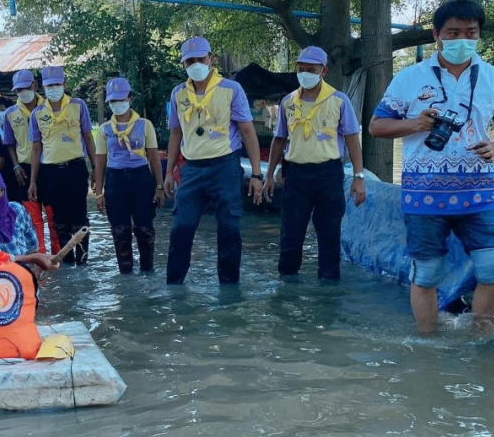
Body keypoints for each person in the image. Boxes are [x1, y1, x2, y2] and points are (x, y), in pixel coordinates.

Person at [369, 0, 494, 334]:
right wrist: (416, 124)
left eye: (471, 32)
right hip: (424, 195)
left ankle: (479, 343)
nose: (462, 39)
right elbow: (376, 126)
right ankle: (429, 347)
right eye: (453, 32)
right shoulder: (409, 78)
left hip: (480, 193)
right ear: (436, 34)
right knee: (426, 273)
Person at [165, 37, 264, 285]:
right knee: (181, 229)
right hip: (192, 170)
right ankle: (174, 287)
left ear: (211, 59)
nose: (195, 64)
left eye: (200, 59)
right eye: (190, 61)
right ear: (183, 64)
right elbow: (176, 132)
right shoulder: (178, 93)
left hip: (225, 167)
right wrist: (168, 172)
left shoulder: (231, 89)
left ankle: (229, 290)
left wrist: (256, 174)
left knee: (229, 229)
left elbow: (248, 131)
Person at [263, 46, 367, 280]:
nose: (305, 73)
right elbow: (279, 139)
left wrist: (359, 178)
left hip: (328, 175)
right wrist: (269, 175)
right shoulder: (288, 101)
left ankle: (328, 297)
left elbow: (352, 138)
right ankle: (287, 291)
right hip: (296, 176)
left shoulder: (339, 100)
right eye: (301, 69)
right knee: (290, 236)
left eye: (311, 69)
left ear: (324, 70)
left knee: (329, 237)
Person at [93, 78, 164, 274]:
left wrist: (159, 187)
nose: (117, 104)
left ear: (130, 98)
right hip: (115, 181)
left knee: (144, 228)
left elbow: (154, 158)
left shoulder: (144, 125)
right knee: (120, 231)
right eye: (113, 101)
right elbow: (100, 162)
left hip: (141, 179)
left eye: (121, 99)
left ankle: (147, 271)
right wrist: (99, 193)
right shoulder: (105, 129)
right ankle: (125, 276)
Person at [28, 66, 96, 264]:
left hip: (75, 168)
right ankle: (67, 262)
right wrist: (33, 181)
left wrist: (96, 170)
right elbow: (36, 148)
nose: (54, 88)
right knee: (60, 221)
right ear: (42, 87)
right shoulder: (37, 114)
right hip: (51, 173)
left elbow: (88, 138)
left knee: (80, 218)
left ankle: (83, 262)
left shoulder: (78, 105)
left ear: (64, 85)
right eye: (50, 85)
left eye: (57, 84)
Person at [2, 69, 60, 254]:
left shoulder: (50, 108)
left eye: (26, 88)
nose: (23, 93)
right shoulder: (10, 114)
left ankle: (58, 255)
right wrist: (15, 165)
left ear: (35, 86)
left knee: (53, 217)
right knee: (33, 218)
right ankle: (39, 257)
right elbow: (9, 143)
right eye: (18, 90)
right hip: (25, 170)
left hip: (50, 167)